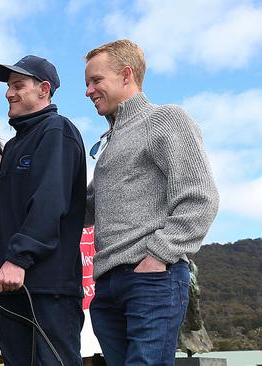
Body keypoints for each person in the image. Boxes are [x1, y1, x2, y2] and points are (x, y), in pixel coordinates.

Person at [83, 39, 219, 365]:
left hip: (151, 278)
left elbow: (201, 198)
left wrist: (158, 257)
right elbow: (87, 208)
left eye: (96, 80)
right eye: (87, 83)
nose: (88, 91)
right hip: (107, 286)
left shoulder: (166, 119)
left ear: (126, 75)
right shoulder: (110, 143)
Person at [0, 55, 86, 366]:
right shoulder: (15, 145)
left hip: (46, 288)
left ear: (43, 89)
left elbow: (50, 202)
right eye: (8, 86)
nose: (8, 93)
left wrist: (18, 258)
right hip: (10, 288)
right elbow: (4, 208)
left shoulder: (57, 131)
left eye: (18, 85)